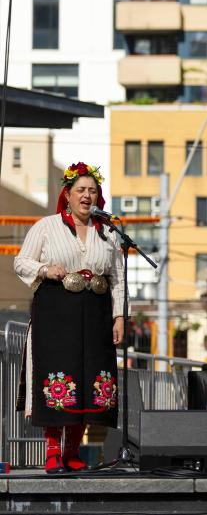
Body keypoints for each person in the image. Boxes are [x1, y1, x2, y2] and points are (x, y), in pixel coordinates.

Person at [14, 162, 125, 473]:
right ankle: (52, 450)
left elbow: (118, 277)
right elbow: (21, 262)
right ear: (68, 194)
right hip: (56, 312)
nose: (87, 196)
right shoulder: (46, 226)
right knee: (60, 376)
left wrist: (119, 317)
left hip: (96, 314)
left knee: (91, 379)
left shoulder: (108, 233)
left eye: (92, 191)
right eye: (81, 190)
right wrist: (45, 269)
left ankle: (74, 451)